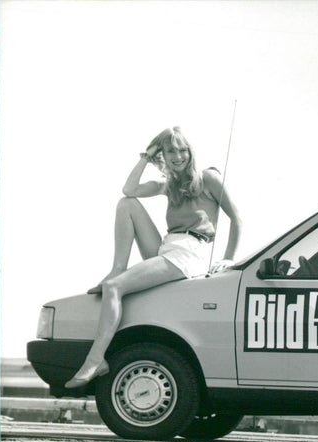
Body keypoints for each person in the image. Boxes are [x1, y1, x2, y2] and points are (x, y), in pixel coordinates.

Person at [65, 126, 243, 388]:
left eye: (182, 150)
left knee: (115, 288)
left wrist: (228, 258)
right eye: (170, 151)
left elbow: (237, 219)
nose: (178, 156)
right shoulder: (168, 185)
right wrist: (146, 157)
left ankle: (95, 359)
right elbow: (129, 189)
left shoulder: (208, 179)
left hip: (192, 250)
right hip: (168, 248)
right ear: (163, 154)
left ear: (190, 152)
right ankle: (117, 267)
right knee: (126, 204)